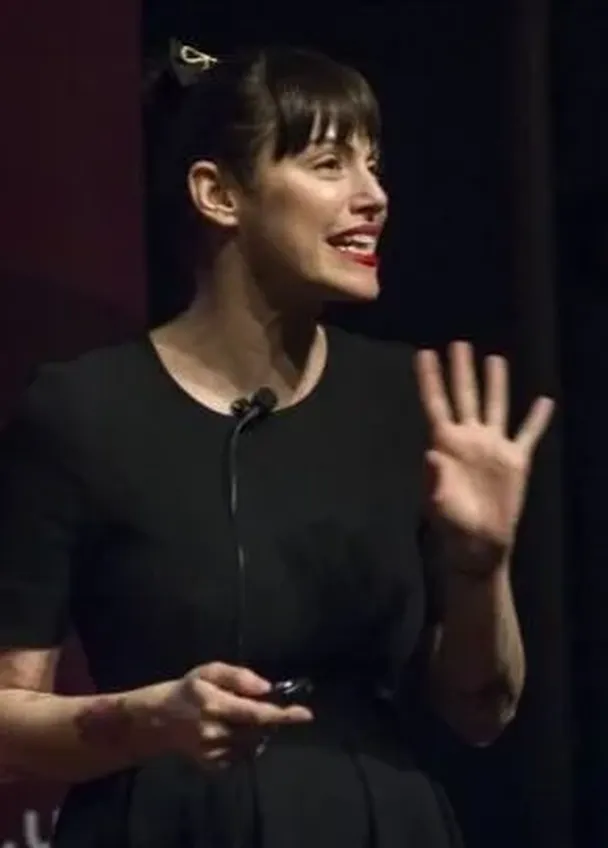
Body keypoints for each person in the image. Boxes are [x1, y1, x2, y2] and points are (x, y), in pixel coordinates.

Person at [0, 41, 553, 848]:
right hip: (162, 823)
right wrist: (152, 720)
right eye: (330, 164)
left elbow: (483, 712)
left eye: (375, 165)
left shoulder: (411, 401)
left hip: (374, 822)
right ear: (218, 194)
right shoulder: (83, 410)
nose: (374, 197)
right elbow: (9, 721)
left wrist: (481, 567)